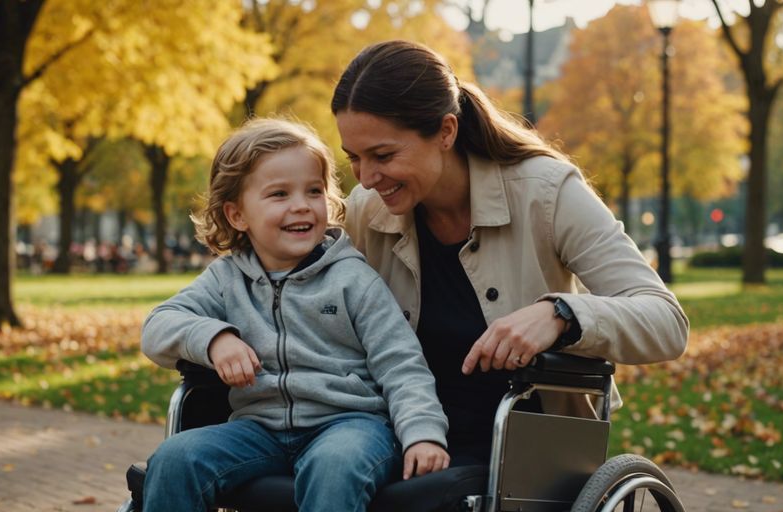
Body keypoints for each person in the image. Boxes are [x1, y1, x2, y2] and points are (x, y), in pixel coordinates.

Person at [333, 40, 689, 466]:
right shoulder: (364, 211)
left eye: (383, 155)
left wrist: (561, 315)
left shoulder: (546, 193)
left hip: (523, 449)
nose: (367, 178)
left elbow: (666, 322)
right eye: (353, 158)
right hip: (401, 439)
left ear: (446, 132)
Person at [140, 118, 450, 512]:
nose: (301, 205)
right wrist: (216, 339)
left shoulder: (353, 279)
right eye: (279, 194)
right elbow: (158, 325)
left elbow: (402, 365)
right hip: (259, 430)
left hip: (350, 425)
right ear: (237, 215)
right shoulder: (228, 278)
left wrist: (423, 434)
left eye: (314, 191)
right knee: (175, 458)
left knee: (334, 466)